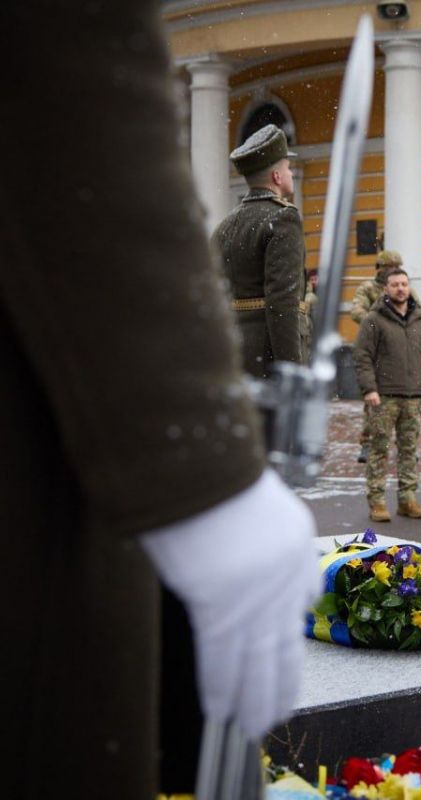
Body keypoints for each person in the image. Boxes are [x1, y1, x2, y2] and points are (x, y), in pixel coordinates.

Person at [2, 3, 319, 796]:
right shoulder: (280, 223)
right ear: (278, 173)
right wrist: (201, 466)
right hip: (153, 379)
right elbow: (72, 93)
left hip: (215, 354)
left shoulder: (226, 226)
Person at [212, 123, 307, 378]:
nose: (289, 172)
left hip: (233, 356)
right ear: (276, 176)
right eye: (287, 167)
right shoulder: (284, 218)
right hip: (269, 360)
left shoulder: (224, 226)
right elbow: (282, 303)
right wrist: (292, 373)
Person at [353, 267, 421, 522]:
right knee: (379, 449)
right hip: (383, 397)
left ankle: (407, 499)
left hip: (413, 396)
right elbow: (362, 356)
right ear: (386, 289)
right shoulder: (374, 319)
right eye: (395, 285)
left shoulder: (420, 318)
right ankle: (377, 502)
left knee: (409, 450)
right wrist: (369, 389)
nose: (401, 289)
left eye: (404, 284)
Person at [350, 251, 405, 463]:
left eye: (396, 265)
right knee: (373, 401)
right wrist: (379, 324)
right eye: (389, 266)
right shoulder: (367, 288)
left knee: (404, 402)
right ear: (380, 268)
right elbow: (356, 312)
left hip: (399, 352)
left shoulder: (401, 287)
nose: (393, 270)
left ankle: (403, 445)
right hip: (375, 351)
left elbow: (416, 312)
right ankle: (367, 443)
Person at [300, 269, 318, 359]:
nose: (314, 282)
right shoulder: (312, 297)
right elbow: (316, 320)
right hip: (310, 336)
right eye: (312, 280)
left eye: (316, 279)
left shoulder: (305, 295)